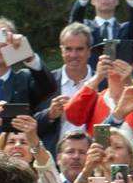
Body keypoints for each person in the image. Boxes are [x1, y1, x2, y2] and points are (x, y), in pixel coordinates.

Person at [34, 23, 94, 155]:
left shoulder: (103, 82)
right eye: (68, 49)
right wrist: (49, 114)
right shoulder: (46, 81)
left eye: (79, 49)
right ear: (61, 50)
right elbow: (29, 123)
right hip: (56, 160)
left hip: (95, 159)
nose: (73, 55)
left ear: (89, 51)